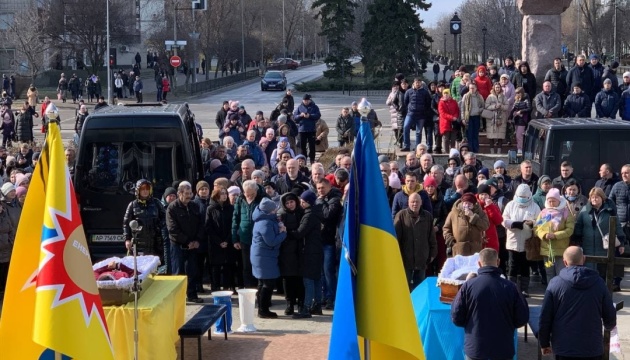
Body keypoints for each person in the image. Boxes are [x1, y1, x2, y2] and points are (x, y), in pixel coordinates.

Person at [539, 246, 616, 359]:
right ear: (584, 259)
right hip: (592, 348)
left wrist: (544, 343)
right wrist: (609, 327)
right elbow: (610, 315)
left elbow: (545, 317)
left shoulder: (554, 283)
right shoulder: (599, 283)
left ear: (565, 262)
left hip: (564, 348)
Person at [451, 248, 528, 360]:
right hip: (503, 349)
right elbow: (522, 318)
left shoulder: (467, 287)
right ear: (498, 262)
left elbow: (456, 317)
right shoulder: (511, 287)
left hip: (475, 349)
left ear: (479, 264)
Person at [573, 187, 625, 291]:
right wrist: (576, 242)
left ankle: (602, 293)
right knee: (587, 272)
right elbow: (579, 226)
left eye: (597, 197)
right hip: (587, 246)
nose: (594, 200)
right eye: (592, 197)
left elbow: (617, 226)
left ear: (602, 198)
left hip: (604, 248)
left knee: (602, 273)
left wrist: (621, 243)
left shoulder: (609, 211)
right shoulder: (584, 211)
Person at [166, 182, 205, 303]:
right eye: (186, 194)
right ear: (179, 194)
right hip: (178, 245)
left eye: (190, 193)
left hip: (193, 245)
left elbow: (201, 224)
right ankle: (179, 298)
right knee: (178, 273)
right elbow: (172, 229)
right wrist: (187, 241)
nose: (189, 196)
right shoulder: (172, 208)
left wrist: (197, 240)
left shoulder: (194, 206)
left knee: (192, 271)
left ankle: (192, 295)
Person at [502, 184, 541, 297]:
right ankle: (511, 288)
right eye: (520, 196)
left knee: (525, 266)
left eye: (524, 197)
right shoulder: (510, 205)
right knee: (512, 265)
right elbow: (504, 219)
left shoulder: (534, 206)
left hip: (527, 241)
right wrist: (513, 224)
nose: (522, 199)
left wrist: (532, 223)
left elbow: (540, 221)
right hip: (513, 241)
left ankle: (524, 289)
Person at [251, 198, 286, 318]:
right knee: (268, 283)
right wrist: (283, 233)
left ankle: (262, 308)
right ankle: (263, 310)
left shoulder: (264, 219)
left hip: (262, 256)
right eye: (274, 208)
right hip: (264, 257)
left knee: (262, 282)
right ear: (269, 210)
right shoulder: (265, 222)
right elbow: (271, 241)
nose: (276, 209)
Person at [393, 192, 436, 291]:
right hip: (405, 260)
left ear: (421, 202)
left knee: (419, 289)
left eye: (417, 202)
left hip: (422, 260)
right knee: (404, 288)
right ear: (408, 202)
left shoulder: (428, 216)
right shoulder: (401, 216)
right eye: (412, 202)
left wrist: (432, 254)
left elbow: (432, 238)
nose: (415, 204)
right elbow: (396, 239)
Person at [291, 190, 324, 318]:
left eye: (303, 201)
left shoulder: (309, 215)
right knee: (316, 279)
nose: (301, 203)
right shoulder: (316, 212)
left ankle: (306, 308)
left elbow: (300, 233)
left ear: (308, 202)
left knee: (308, 279)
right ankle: (317, 306)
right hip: (317, 249)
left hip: (310, 251)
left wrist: (286, 230)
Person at [534, 188, 575, 281]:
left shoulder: (565, 212)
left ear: (558, 201)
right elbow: (537, 228)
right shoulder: (544, 213)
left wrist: (555, 235)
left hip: (561, 249)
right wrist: (544, 235)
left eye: (553, 201)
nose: (551, 203)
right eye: (549, 201)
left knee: (561, 272)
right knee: (549, 272)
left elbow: (570, 230)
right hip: (547, 250)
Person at [315, 179, 343, 309]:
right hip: (319, 241)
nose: (320, 190)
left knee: (328, 271)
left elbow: (327, 215)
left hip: (329, 241)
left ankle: (331, 297)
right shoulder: (319, 199)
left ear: (329, 187)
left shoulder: (335, 200)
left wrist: (320, 201)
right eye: (318, 188)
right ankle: (324, 297)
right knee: (321, 272)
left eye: (323, 188)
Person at [232, 180, 264, 288]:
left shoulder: (262, 199)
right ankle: (249, 289)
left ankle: (259, 289)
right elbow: (235, 219)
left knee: (258, 264)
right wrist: (235, 239)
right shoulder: (240, 199)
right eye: (247, 193)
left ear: (256, 191)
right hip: (244, 237)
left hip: (259, 238)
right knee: (246, 266)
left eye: (252, 194)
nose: (249, 196)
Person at [123, 179, 166, 259]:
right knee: (139, 267)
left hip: (155, 242)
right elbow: (126, 224)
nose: (145, 191)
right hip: (138, 243)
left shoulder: (156, 203)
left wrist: (159, 226)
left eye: (147, 189)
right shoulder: (132, 205)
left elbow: (165, 217)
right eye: (143, 189)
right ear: (138, 190)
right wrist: (127, 239)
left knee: (155, 265)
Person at [278, 191, 305, 315]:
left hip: (300, 250)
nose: (290, 205)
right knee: (288, 278)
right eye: (287, 203)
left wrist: (288, 231)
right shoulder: (282, 215)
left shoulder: (302, 212)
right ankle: (290, 303)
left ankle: (301, 303)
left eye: (292, 202)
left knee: (300, 278)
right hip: (286, 250)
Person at [206, 186, 235, 293]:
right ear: (216, 196)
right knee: (216, 267)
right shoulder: (211, 209)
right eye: (221, 193)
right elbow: (208, 227)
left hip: (228, 242)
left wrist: (227, 240)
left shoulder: (231, 208)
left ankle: (227, 288)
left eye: (225, 193)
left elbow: (233, 225)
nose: (224, 196)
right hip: (215, 243)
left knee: (228, 266)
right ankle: (216, 288)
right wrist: (219, 241)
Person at [402, 78, 432, 152]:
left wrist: (424, 111)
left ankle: (417, 147)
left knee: (418, 132)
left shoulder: (425, 92)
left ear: (421, 83)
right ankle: (406, 145)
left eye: (419, 82)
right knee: (406, 127)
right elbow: (405, 102)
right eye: (416, 82)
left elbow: (428, 103)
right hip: (410, 114)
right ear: (413, 83)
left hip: (421, 115)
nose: (417, 84)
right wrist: (409, 109)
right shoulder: (409, 91)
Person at [293, 94, 321, 164]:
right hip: (302, 130)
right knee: (302, 147)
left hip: (311, 129)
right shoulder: (300, 107)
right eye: (305, 100)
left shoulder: (314, 107)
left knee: (312, 146)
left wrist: (310, 116)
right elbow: (295, 117)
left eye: (307, 100)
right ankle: (303, 160)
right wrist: (300, 115)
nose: (306, 102)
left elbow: (318, 115)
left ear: (309, 100)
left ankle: (312, 160)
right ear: (303, 100)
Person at [484, 82, 510, 154]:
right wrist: (494, 106)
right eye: (496, 87)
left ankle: (499, 151)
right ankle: (492, 151)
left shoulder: (503, 97)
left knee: (500, 136)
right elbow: (486, 106)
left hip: (501, 118)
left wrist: (501, 106)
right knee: (491, 136)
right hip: (492, 118)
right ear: (494, 88)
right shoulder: (490, 97)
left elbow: (507, 106)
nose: (497, 89)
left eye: (499, 87)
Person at [460, 83, 484, 153]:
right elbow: (462, 108)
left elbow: (483, 106)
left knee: (475, 135)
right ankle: (470, 150)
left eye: (473, 88)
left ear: (476, 88)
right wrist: (463, 118)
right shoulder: (465, 96)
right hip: (468, 118)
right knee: (469, 135)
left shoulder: (479, 96)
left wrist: (478, 110)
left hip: (476, 117)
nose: (472, 90)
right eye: (470, 88)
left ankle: (476, 150)